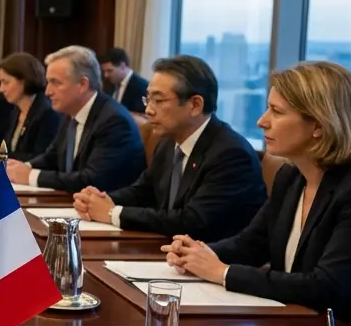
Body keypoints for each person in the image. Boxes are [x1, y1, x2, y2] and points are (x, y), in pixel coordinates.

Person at [164, 61, 351, 324]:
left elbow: (327, 287)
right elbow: (251, 245)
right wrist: (197, 254)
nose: (262, 121)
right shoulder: (291, 175)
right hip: (298, 323)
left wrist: (222, 272)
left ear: (318, 125)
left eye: (276, 111)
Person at [72, 55, 265, 240]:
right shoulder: (168, 142)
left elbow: (191, 221)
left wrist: (112, 212)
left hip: (209, 262)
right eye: (148, 99)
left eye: (159, 100)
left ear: (195, 105)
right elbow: (143, 191)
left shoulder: (231, 154)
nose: (148, 110)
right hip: (169, 251)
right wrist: (99, 200)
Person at [6, 45, 145, 193]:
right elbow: (52, 157)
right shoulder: (70, 114)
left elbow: (91, 180)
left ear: (82, 85)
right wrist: (24, 167)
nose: (47, 92)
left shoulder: (114, 121)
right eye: (48, 83)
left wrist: (31, 176)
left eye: (56, 83)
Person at [0, 53, 60, 163]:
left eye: (6, 82)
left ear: (24, 81)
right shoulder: (16, 110)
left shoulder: (47, 113)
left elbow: (40, 158)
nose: (1, 89)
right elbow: (9, 148)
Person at [102, 47, 147, 114]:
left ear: (123, 66)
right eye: (104, 71)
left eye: (109, 71)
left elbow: (143, 117)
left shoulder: (141, 87)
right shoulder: (109, 84)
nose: (106, 75)